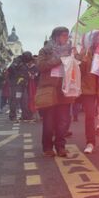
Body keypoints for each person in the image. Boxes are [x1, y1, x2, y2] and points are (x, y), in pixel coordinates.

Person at [35, 27, 76, 157]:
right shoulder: (45, 50)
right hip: (49, 90)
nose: (66, 38)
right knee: (49, 121)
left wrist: (76, 56)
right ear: (56, 36)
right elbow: (41, 66)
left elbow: (78, 65)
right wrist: (59, 59)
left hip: (64, 89)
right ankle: (47, 147)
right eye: (63, 35)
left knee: (64, 120)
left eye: (67, 36)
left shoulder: (70, 51)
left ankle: (60, 146)